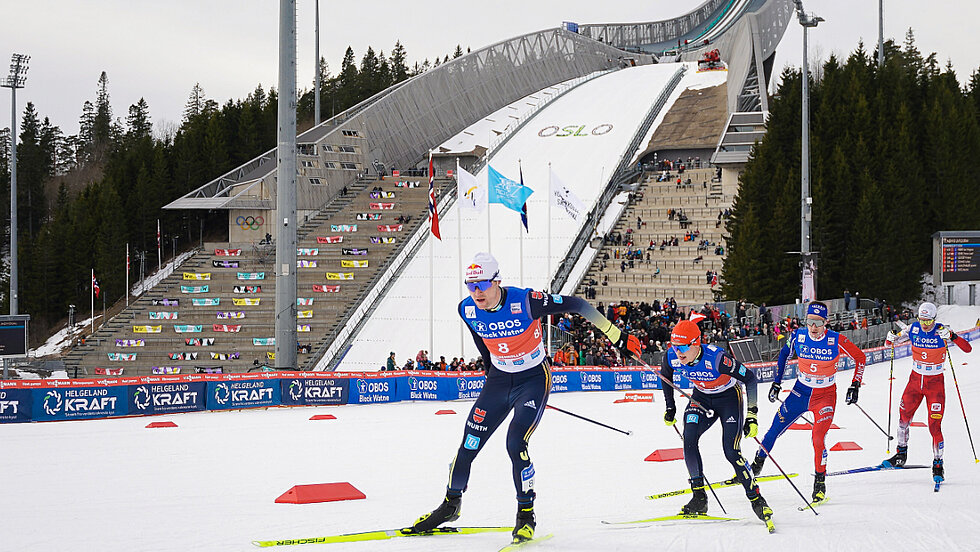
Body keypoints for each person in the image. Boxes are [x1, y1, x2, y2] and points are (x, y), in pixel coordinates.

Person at [409, 252, 642, 543]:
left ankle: (525, 513)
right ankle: (450, 504)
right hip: (499, 381)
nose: (477, 292)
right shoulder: (466, 309)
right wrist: (489, 367)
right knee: (468, 445)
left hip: (533, 379)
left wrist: (616, 335)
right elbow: (480, 337)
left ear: (497, 281)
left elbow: (580, 305)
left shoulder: (526, 301)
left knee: (515, 442)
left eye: (482, 284)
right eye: (471, 285)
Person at [750, 301, 867, 504]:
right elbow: (784, 355)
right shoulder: (798, 336)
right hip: (800, 392)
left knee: (818, 438)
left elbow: (860, 358)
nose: (813, 327)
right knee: (774, 429)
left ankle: (819, 482)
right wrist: (777, 383)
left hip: (825, 396)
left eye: (818, 323)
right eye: (810, 322)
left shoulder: (836, 339)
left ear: (826, 323)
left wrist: (855, 384)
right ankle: (756, 464)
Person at [660, 319, 772, 526]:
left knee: (730, 451)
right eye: (675, 347)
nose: (678, 352)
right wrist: (670, 407)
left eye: (683, 347)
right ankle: (699, 499)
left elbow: (750, 379)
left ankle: (757, 499)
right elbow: (665, 376)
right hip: (701, 399)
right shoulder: (672, 357)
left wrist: (752, 415)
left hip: (729, 398)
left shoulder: (717, 358)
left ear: (696, 343)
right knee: (689, 440)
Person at [882, 302, 973, 484]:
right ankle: (901, 454)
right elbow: (889, 344)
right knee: (903, 419)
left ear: (934, 319)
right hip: (915, 382)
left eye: (928, 320)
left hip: (935, 384)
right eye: (922, 320)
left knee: (934, 426)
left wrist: (953, 336)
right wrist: (890, 337)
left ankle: (938, 464)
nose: (925, 324)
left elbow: (968, 349)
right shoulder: (913, 328)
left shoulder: (942, 330)